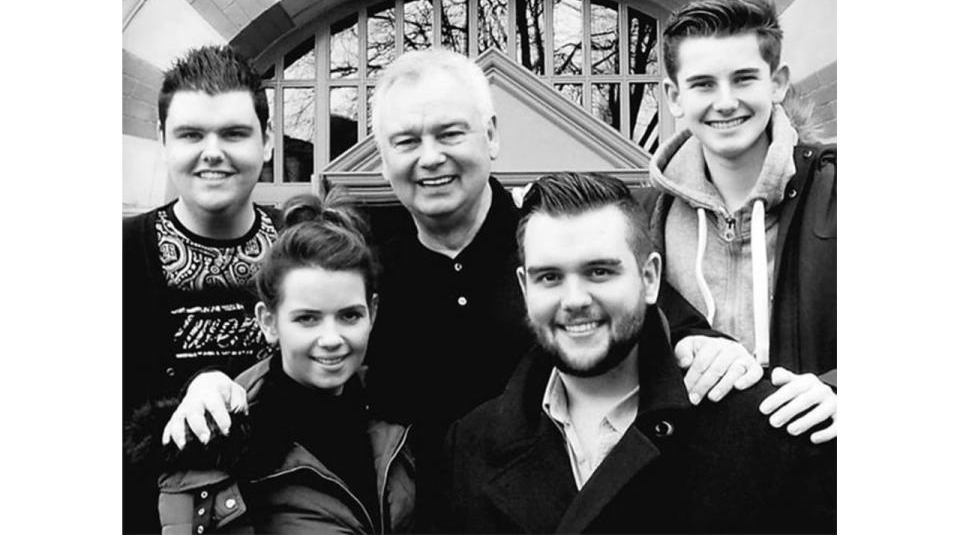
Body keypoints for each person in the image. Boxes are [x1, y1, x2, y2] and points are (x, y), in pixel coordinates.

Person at [158, 49, 761, 525]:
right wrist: (218, 385)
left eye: (450, 133)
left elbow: (653, 317)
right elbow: (301, 364)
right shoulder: (369, 270)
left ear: (491, 135)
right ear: (382, 156)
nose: (430, 158)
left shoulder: (551, 247)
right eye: (406, 141)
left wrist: (709, 344)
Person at [439, 172, 835, 533]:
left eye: (600, 272)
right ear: (525, 289)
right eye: (550, 277)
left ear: (650, 278)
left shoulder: (766, 431)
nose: (574, 299)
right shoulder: (470, 448)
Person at [130, 192, 415, 534]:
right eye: (307, 319)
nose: (331, 338)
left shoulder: (398, 411)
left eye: (349, 315)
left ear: (373, 312)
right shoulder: (223, 442)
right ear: (268, 322)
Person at [643, 0, 837, 443]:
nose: (725, 102)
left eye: (744, 78)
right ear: (674, 97)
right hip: (693, 479)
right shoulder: (646, 219)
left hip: (818, 475)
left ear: (778, 83)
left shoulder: (840, 192)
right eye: (703, 84)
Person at [123, 45, 280, 532]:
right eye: (192, 134)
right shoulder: (112, 260)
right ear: (163, 139)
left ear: (268, 140)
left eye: (234, 133)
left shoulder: (303, 254)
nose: (213, 151)